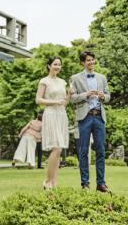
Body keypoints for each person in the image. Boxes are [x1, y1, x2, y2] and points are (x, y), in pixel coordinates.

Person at [70, 50, 110, 192]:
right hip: (84, 117)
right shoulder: (75, 78)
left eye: (92, 60)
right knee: (82, 151)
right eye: (88, 60)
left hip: (99, 116)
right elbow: (72, 98)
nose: (91, 62)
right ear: (82, 62)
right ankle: (85, 183)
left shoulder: (102, 78)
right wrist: (85, 95)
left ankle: (101, 183)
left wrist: (103, 96)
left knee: (100, 150)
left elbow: (108, 96)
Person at [36, 56, 70, 189]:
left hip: (61, 114)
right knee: (56, 148)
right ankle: (48, 181)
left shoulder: (63, 82)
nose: (57, 67)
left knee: (59, 149)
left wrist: (69, 95)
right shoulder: (44, 81)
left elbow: (65, 103)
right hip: (50, 114)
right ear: (49, 66)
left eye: (59, 65)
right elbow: (38, 100)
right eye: (55, 64)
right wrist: (55, 102)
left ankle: (54, 182)